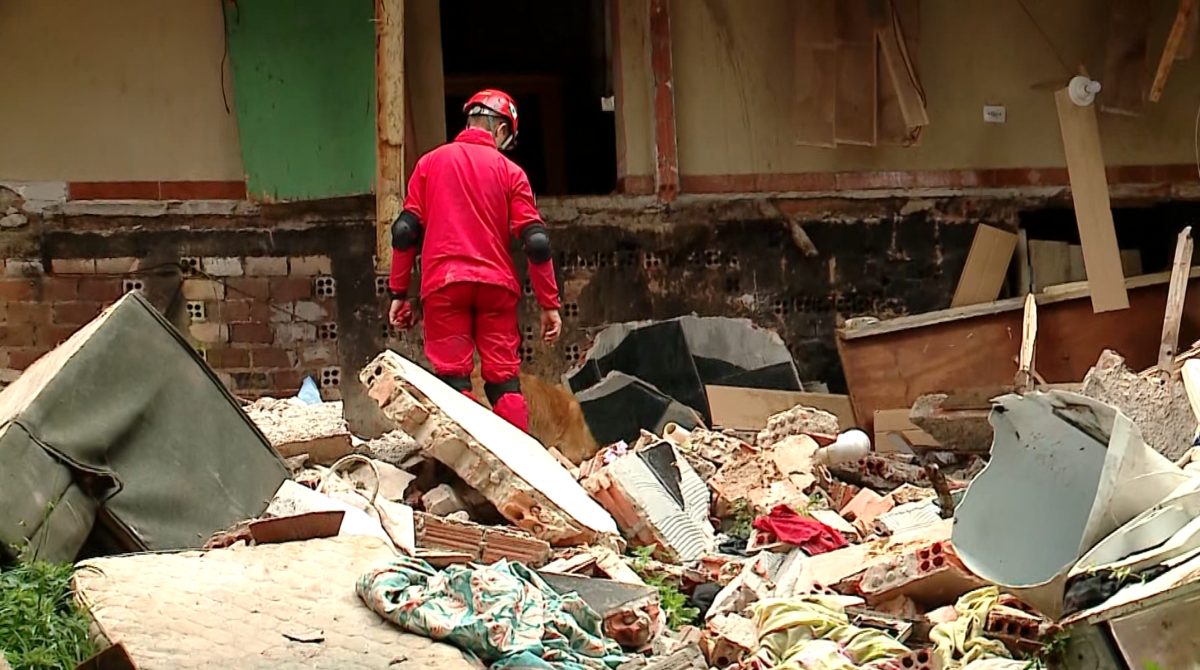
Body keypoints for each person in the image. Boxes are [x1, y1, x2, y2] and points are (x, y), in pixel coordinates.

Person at [387, 89, 562, 434]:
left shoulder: (429, 163)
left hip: (444, 285)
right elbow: (537, 243)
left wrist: (397, 292)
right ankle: (521, 465)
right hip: (496, 288)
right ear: (500, 130)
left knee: (453, 379)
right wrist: (549, 304)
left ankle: (461, 472)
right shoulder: (511, 172)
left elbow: (405, 231)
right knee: (503, 380)